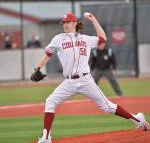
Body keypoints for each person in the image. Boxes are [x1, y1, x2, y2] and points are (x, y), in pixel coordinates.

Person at [31, 12, 149, 143]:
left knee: (107, 107)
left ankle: (138, 119)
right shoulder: (58, 39)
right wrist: (36, 69)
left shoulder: (85, 39)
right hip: (69, 81)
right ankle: (46, 137)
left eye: (68, 22)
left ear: (75, 23)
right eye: (63, 23)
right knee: (50, 102)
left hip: (85, 80)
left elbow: (103, 38)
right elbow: (47, 55)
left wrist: (93, 20)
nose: (65, 24)